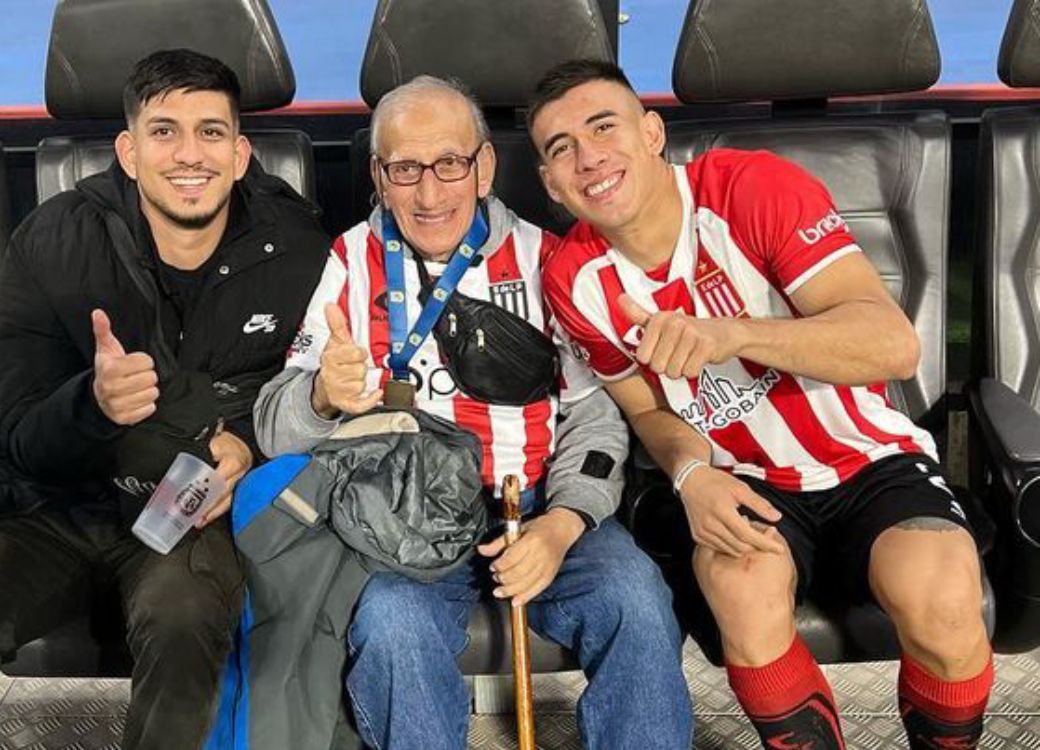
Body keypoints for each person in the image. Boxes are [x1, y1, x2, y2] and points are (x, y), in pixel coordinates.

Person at [530, 59, 994, 750]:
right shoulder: (572, 277)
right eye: (559, 148)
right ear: (550, 183)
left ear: (653, 133)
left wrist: (732, 334)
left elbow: (893, 346)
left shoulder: (751, 187)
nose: (587, 156)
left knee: (945, 597)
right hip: (740, 477)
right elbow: (647, 412)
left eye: (604, 126)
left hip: (866, 458)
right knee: (741, 589)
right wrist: (692, 477)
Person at [0, 49, 329, 750]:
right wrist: (91, 406)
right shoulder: (56, 239)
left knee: (187, 619)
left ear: (242, 153)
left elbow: (297, 388)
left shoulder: (300, 248)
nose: (191, 154)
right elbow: (22, 429)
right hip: (49, 503)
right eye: (165, 131)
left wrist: (243, 438)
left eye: (212, 132)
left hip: (183, 509)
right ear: (129, 151)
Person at [254, 75, 692, 750]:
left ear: (484, 165)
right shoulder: (345, 261)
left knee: (635, 599)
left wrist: (566, 523)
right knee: (393, 626)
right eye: (404, 169)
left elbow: (598, 419)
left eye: (450, 164)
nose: (429, 194)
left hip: (539, 504)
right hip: (402, 520)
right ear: (377, 174)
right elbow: (271, 426)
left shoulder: (550, 260)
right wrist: (317, 397)